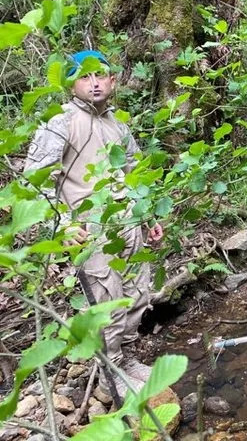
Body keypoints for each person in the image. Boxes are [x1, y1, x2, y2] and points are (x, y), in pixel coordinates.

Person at [24, 50, 163, 399]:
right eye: (85, 76)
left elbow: (135, 173)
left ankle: (125, 361)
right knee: (105, 304)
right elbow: (33, 181)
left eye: (100, 75)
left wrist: (148, 218)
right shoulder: (60, 121)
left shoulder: (118, 124)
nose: (95, 82)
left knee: (138, 295)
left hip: (128, 224)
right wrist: (66, 224)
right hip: (90, 231)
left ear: (113, 80)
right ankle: (110, 377)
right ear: (72, 82)